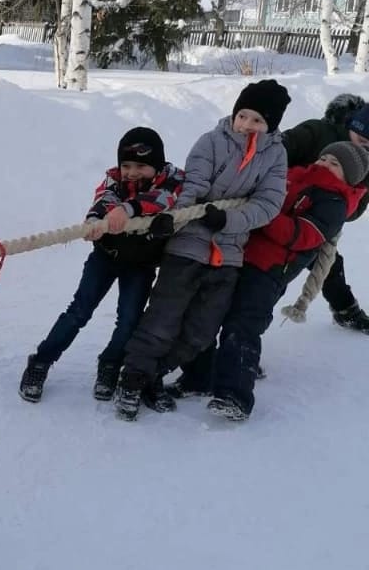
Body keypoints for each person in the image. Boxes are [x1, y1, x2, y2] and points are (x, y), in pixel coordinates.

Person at [112, 80, 290, 420]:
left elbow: (268, 204)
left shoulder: (275, 156)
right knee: (163, 321)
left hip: (229, 256)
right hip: (187, 248)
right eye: (243, 116)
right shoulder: (211, 143)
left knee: (201, 332)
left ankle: (153, 376)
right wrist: (173, 220)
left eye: (257, 120)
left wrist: (228, 220)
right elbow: (190, 189)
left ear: (271, 125)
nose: (247, 125)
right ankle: (133, 380)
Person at [195, 141, 369, 421]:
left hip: (270, 269)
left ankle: (234, 395)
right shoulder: (292, 177)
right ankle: (201, 375)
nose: (324, 164)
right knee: (210, 312)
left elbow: (302, 236)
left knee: (243, 323)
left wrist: (262, 214)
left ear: (348, 176)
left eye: (334, 164)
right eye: (324, 157)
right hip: (240, 255)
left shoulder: (335, 202)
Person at [18, 127, 184, 403]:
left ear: (156, 165)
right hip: (106, 256)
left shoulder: (172, 180)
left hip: (140, 264)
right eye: (127, 165)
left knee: (129, 319)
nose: (132, 172)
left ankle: (110, 363)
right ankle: (41, 361)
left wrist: (129, 209)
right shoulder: (113, 179)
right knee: (79, 311)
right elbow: (103, 199)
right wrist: (95, 219)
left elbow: (167, 197)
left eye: (141, 166)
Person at [281, 95, 369, 332]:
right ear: (352, 124)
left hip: (311, 222)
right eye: (361, 138)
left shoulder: (364, 166)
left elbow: (351, 213)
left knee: (328, 262)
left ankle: (345, 310)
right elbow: (276, 148)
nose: (363, 147)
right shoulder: (318, 132)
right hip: (272, 207)